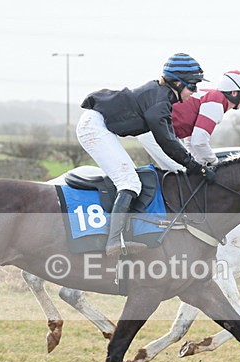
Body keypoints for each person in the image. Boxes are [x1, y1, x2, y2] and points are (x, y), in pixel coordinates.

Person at [76, 53, 216, 257]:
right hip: (94, 127)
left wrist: (191, 164)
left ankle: (122, 234)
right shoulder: (160, 102)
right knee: (130, 182)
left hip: (99, 125)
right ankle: (113, 242)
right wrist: (196, 167)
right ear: (176, 82)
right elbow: (167, 141)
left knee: (132, 179)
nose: (193, 92)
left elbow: (169, 139)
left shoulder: (161, 96)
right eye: (192, 86)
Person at [137, 70, 240, 171]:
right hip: (155, 133)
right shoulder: (216, 103)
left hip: (159, 133)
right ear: (234, 93)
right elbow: (199, 141)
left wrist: (199, 163)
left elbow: (191, 140)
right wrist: (215, 162)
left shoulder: (214, 99)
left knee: (189, 173)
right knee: (182, 175)